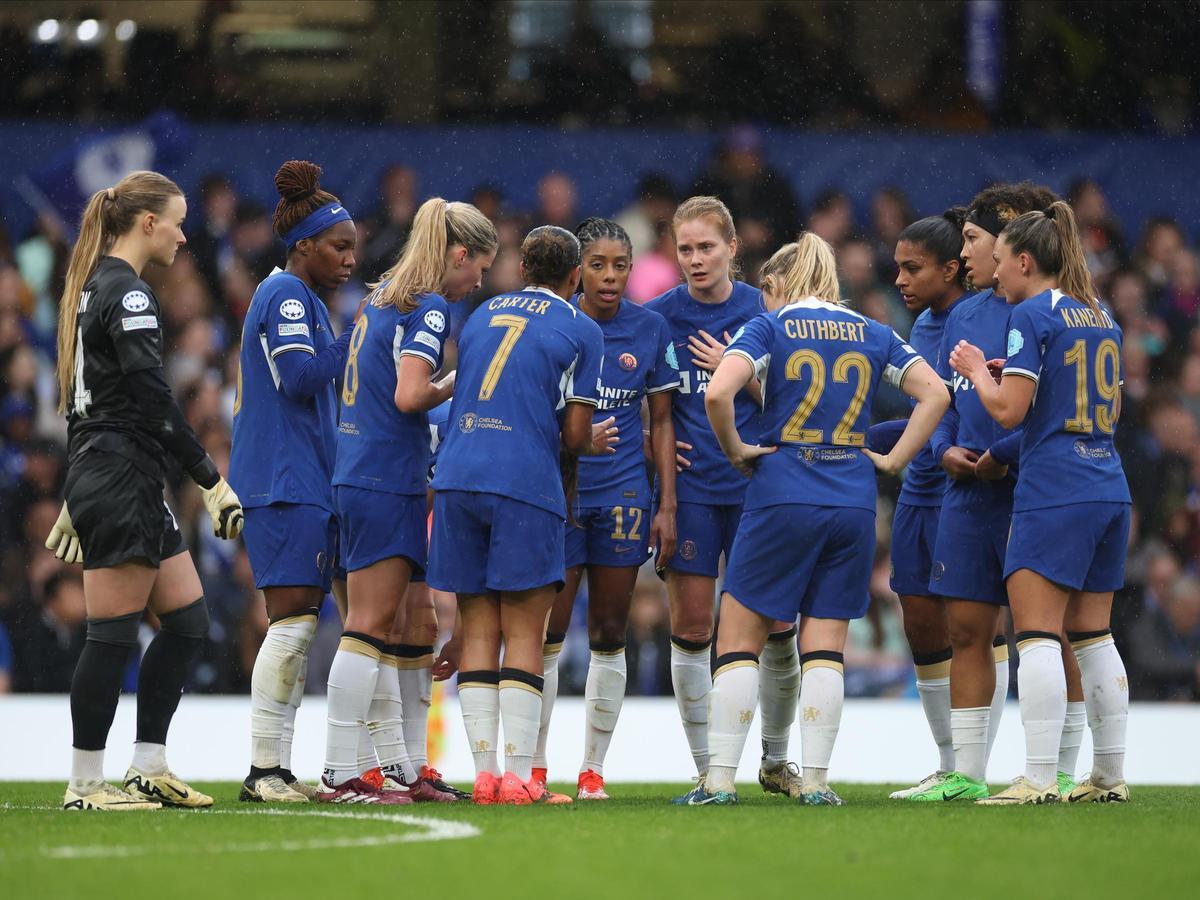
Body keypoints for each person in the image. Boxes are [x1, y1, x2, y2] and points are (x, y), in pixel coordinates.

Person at [695, 233, 948, 805]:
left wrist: (736, 450)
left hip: (783, 491)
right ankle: (815, 782)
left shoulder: (772, 326)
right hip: (852, 500)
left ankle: (718, 782)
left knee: (738, 640)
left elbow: (717, 394)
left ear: (776, 285)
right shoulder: (872, 331)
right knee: (825, 647)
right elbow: (935, 394)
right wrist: (893, 460)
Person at [48, 170, 243, 810]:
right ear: (148, 223)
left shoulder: (93, 286)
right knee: (110, 633)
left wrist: (77, 488)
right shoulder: (129, 292)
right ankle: (85, 782)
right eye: (178, 223)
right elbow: (153, 402)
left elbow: (92, 400)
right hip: (121, 473)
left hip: (116, 470)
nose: (185, 237)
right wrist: (210, 479)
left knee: (187, 621)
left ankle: (148, 765)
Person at [950, 201, 1132, 804]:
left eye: (1001, 260)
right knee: (1095, 636)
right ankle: (1108, 776)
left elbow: (1008, 411)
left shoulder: (1029, 314)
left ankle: (1037, 777)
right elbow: (1106, 407)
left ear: (1025, 261)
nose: (996, 272)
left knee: (1037, 636)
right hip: (1107, 483)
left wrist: (978, 371)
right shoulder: (1101, 314)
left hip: (1054, 491)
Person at [426, 225, 613, 805]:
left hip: (458, 476)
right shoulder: (583, 329)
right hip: (523, 482)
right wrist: (589, 442)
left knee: (479, 629)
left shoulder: (481, 315)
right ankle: (517, 779)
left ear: (523, 269)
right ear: (575, 275)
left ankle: (483, 776)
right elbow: (575, 434)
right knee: (526, 633)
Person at [323, 197, 497, 803]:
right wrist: (460, 382)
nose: (479, 282)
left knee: (411, 624)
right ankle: (341, 771)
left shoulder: (380, 300)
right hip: (384, 479)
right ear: (459, 255)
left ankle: (404, 767)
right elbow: (408, 395)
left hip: (368, 472)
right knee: (368, 627)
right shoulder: (428, 307)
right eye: (479, 268)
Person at [921, 181, 1088, 802]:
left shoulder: (1050, 311)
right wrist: (943, 450)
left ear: (1009, 244)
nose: (963, 252)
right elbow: (943, 397)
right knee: (967, 631)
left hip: (1030, 488)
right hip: (967, 492)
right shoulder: (963, 315)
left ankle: (1060, 768)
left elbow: (1056, 409)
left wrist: (1003, 455)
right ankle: (966, 775)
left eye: (972, 239)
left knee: (1048, 633)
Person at [644, 197, 801, 803]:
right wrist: (649, 448)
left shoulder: (765, 310)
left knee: (779, 625)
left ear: (732, 248)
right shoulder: (659, 317)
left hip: (761, 488)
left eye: (706, 247)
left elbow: (798, 400)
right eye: (684, 248)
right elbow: (635, 400)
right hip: (693, 493)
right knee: (691, 627)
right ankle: (709, 769)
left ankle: (777, 760)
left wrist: (739, 375)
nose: (695, 259)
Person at [532, 218, 680, 801]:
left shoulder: (651, 328)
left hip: (623, 495)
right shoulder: (555, 325)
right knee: (548, 632)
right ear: (578, 271)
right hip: (561, 495)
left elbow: (662, 420)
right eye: (598, 265)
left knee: (610, 631)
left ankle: (592, 770)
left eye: (620, 265)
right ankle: (535, 765)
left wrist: (666, 503)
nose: (610, 276)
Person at [229, 160, 358, 803]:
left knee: (299, 624)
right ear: (304, 245)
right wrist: (356, 339)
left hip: (301, 478)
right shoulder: (285, 295)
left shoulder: (300, 298)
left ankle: (276, 768)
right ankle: (263, 769)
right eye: (339, 246)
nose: (350, 260)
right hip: (284, 480)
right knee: (291, 625)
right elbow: (300, 378)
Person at [866, 212, 968, 799]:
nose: (900, 279)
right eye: (898, 267)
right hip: (918, 492)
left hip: (962, 492)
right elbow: (924, 417)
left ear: (950, 269)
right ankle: (949, 764)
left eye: (913, 268)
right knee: (922, 627)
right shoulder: (920, 326)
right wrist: (860, 438)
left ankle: (981, 766)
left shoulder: (981, 319)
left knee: (975, 627)